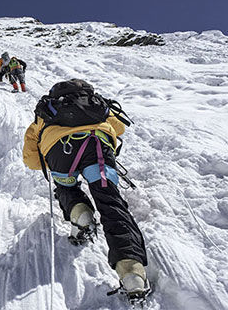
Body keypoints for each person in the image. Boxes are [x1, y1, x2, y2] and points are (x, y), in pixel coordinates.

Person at [22, 79, 149, 300]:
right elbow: (118, 128)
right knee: (110, 200)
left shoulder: (45, 111)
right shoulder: (96, 103)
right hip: (97, 145)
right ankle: (131, 273)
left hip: (60, 151)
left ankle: (80, 215)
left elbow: (32, 160)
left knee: (66, 188)